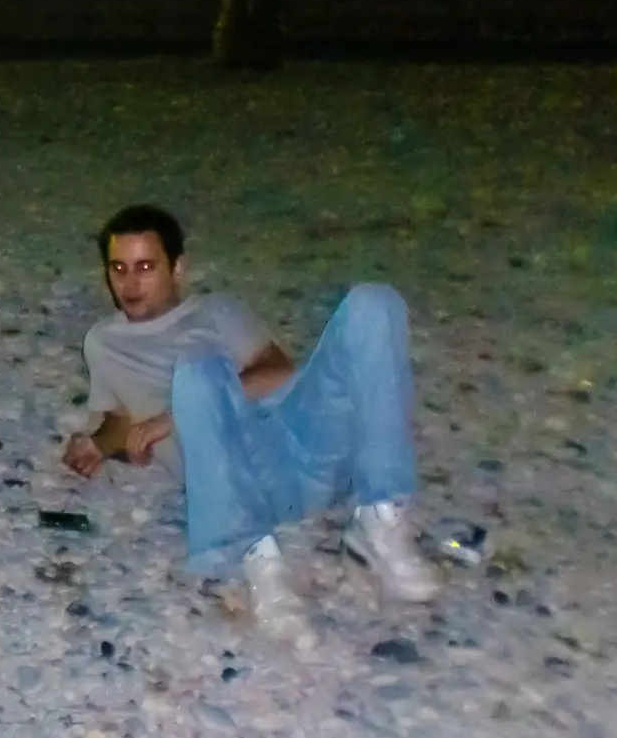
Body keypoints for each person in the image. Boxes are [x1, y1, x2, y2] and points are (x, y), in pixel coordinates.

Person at [61, 205, 438, 641]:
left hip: (304, 448)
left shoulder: (217, 311)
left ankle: (380, 520)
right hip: (241, 488)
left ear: (178, 268)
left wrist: (172, 417)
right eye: (119, 269)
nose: (129, 283)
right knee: (198, 374)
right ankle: (261, 562)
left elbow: (278, 371)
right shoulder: (104, 343)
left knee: (373, 302)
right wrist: (96, 444)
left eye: (145, 267)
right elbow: (119, 419)